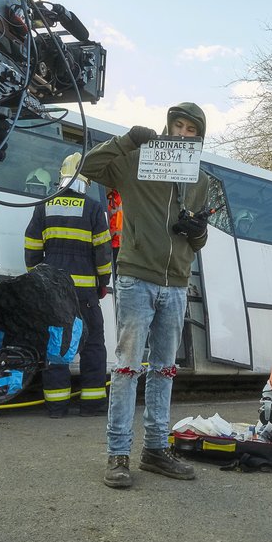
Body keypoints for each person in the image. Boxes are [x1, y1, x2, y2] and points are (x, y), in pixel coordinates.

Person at [80, 103, 211, 489]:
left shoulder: (201, 179)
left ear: (199, 137)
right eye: (178, 125)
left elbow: (201, 235)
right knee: (126, 368)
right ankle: (117, 454)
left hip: (176, 283)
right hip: (137, 277)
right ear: (167, 126)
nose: (183, 133)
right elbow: (88, 167)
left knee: (165, 370)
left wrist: (197, 232)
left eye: (191, 130)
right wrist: (126, 140)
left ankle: (155, 449)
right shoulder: (137, 161)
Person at [24, 152, 112, 417]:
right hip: (85, 293)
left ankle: (56, 407)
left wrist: (41, 279)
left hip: (54, 292)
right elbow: (104, 254)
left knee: (56, 345)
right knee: (93, 345)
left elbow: (31, 249)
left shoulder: (44, 206)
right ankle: (92, 405)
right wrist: (103, 283)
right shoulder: (95, 208)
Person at [106, 188, 123, 268]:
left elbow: (119, 226)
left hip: (118, 245)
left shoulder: (120, 198)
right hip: (113, 243)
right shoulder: (112, 197)